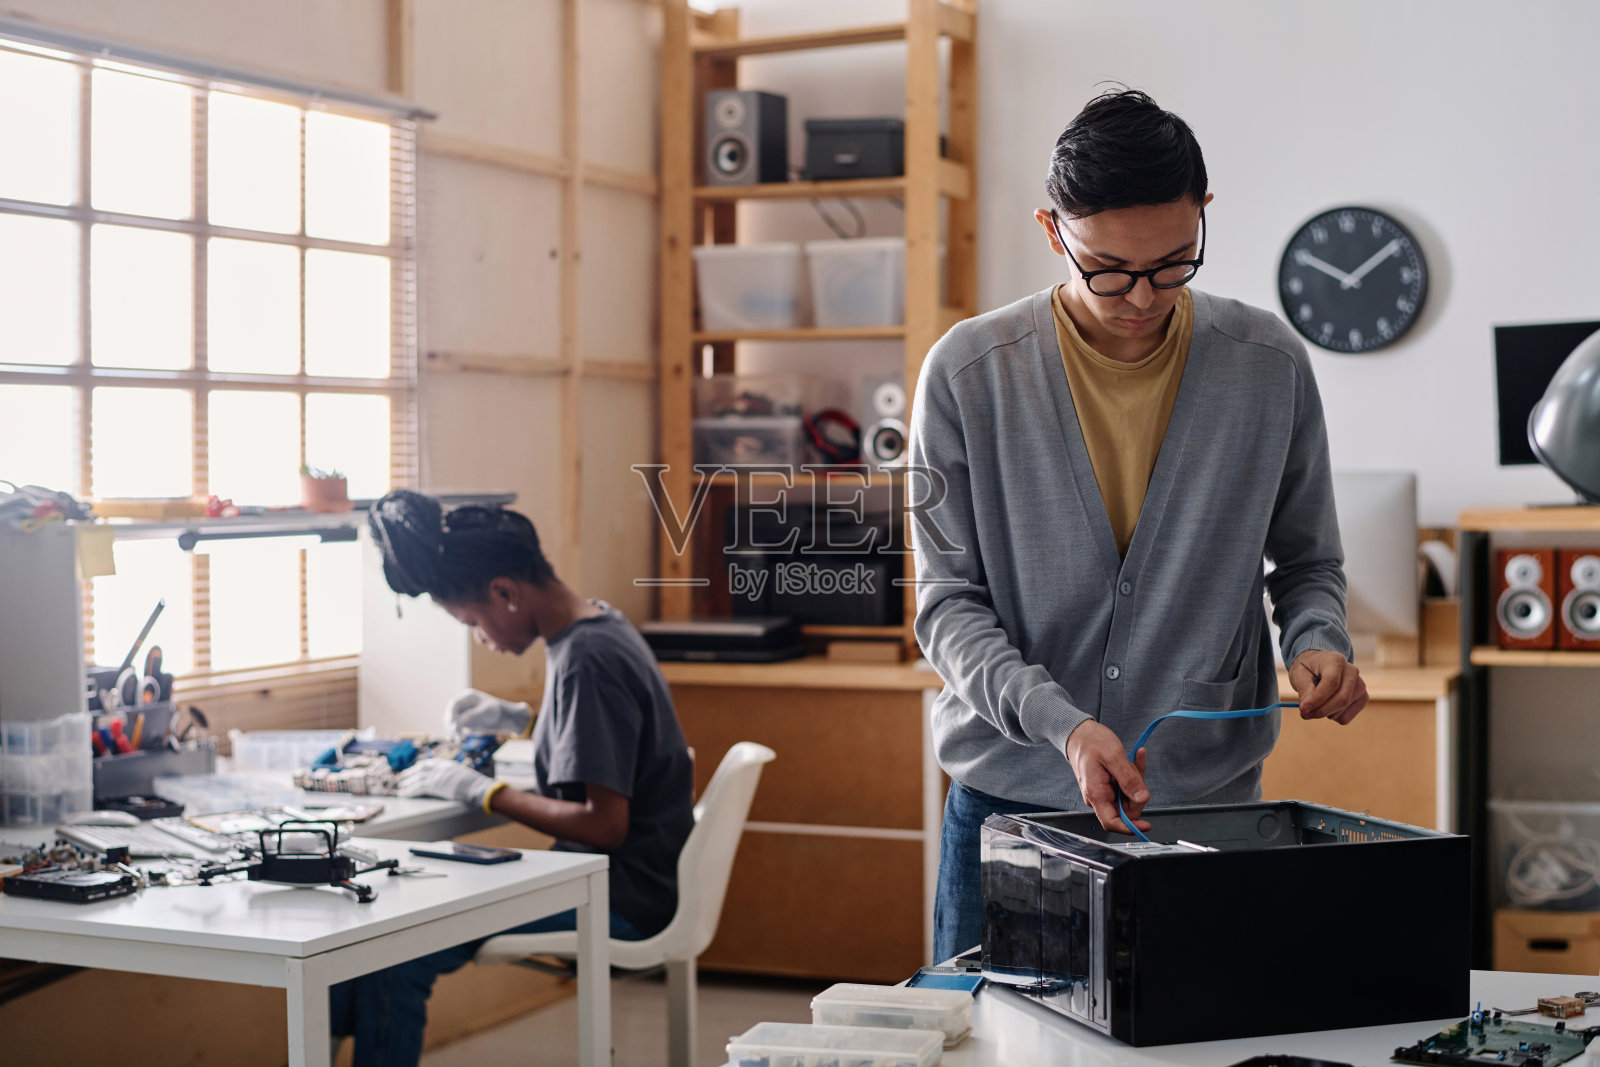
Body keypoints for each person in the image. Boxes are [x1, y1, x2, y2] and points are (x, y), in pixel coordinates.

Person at [908, 88, 1370, 963]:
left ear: (1203, 214)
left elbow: (1308, 561)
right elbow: (946, 604)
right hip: (1014, 803)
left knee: (1212, 1027)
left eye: (1173, 264)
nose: (1143, 297)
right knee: (989, 1034)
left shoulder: (1268, 364)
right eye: (1109, 270)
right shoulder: (968, 374)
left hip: (1206, 806)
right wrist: (1063, 726)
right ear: (1053, 232)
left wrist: (1318, 639)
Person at [328, 489, 694, 1066]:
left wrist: (484, 792)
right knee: (380, 935)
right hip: (627, 877)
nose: (480, 637)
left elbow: (605, 825)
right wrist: (523, 719)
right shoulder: (598, 625)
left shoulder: (587, 660)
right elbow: (613, 734)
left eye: (472, 622)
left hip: (621, 896)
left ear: (505, 592)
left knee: (395, 948)